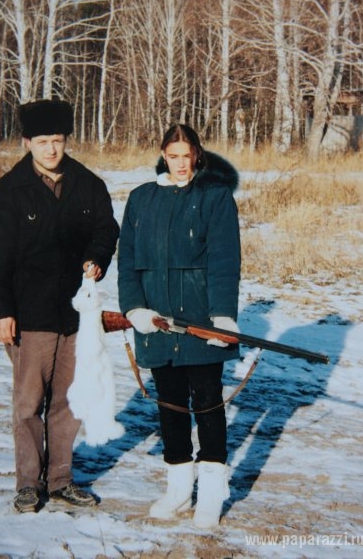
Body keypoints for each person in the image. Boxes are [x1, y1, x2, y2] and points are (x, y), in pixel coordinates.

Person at [0, 99, 120, 513]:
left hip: (76, 316)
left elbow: (105, 229)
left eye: (57, 141)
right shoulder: (7, 192)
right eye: (42, 142)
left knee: (68, 402)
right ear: (27, 142)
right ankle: (28, 483)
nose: (51, 150)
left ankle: (60, 480)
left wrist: (97, 257)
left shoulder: (88, 184)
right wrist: (0, 312)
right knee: (28, 404)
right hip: (29, 316)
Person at [118, 124, 241, 529]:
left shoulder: (215, 197)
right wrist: (134, 307)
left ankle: (209, 496)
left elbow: (225, 260)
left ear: (197, 155)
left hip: (202, 322)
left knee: (208, 405)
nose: (181, 163)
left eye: (187, 155)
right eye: (173, 155)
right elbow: (127, 260)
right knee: (169, 407)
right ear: (163, 155)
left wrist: (223, 316)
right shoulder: (141, 199)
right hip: (156, 322)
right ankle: (177, 491)